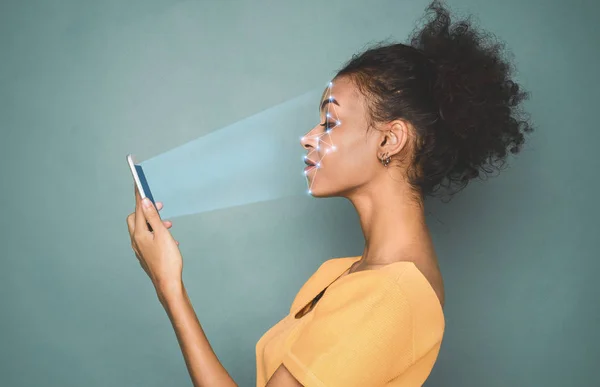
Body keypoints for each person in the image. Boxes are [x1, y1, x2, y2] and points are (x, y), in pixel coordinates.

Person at [125, 1, 532, 386]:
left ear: (390, 140)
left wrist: (169, 286)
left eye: (330, 121)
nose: (307, 138)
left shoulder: (390, 296)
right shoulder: (343, 273)